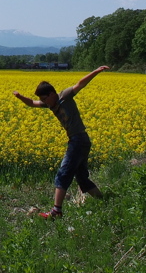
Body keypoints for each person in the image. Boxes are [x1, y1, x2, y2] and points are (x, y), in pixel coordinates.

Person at [13, 65, 111, 219]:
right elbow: (32, 103)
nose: (43, 102)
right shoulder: (50, 103)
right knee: (82, 178)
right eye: (42, 100)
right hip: (79, 140)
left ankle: (56, 211)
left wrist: (97, 71)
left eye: (45, 98)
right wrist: (19, 96)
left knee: (63, 173)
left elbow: (80, 84)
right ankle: (105, 201)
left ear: (52, 94)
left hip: (78, 139)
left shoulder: (64, 96)